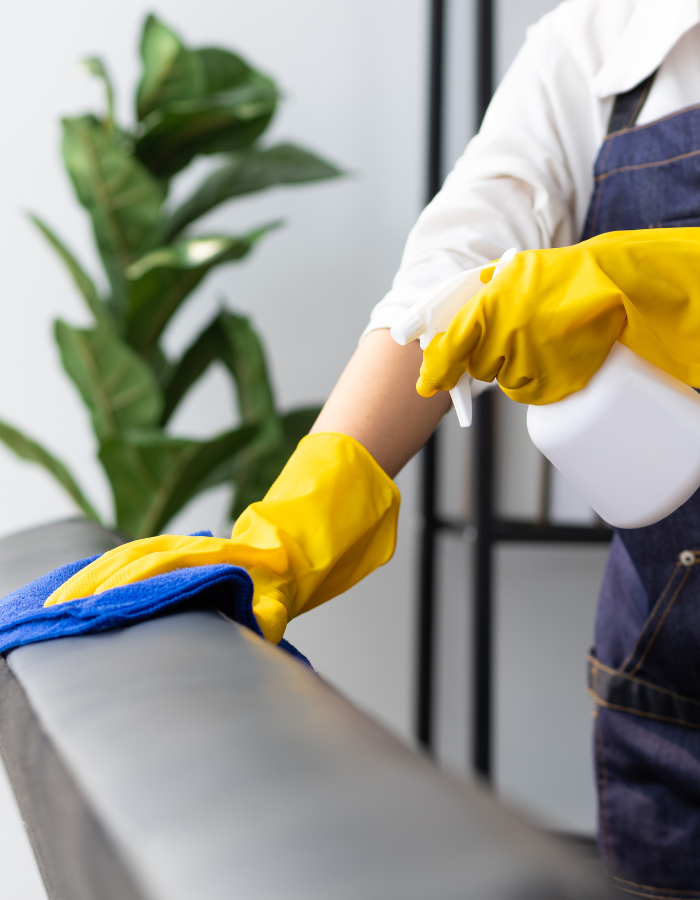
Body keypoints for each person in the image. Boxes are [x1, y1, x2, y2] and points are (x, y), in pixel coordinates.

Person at [46, 0, 700, 891]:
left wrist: (664, 284)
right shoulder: (596, 45)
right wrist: (294, 525)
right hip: (670, 698)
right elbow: (444, 284)